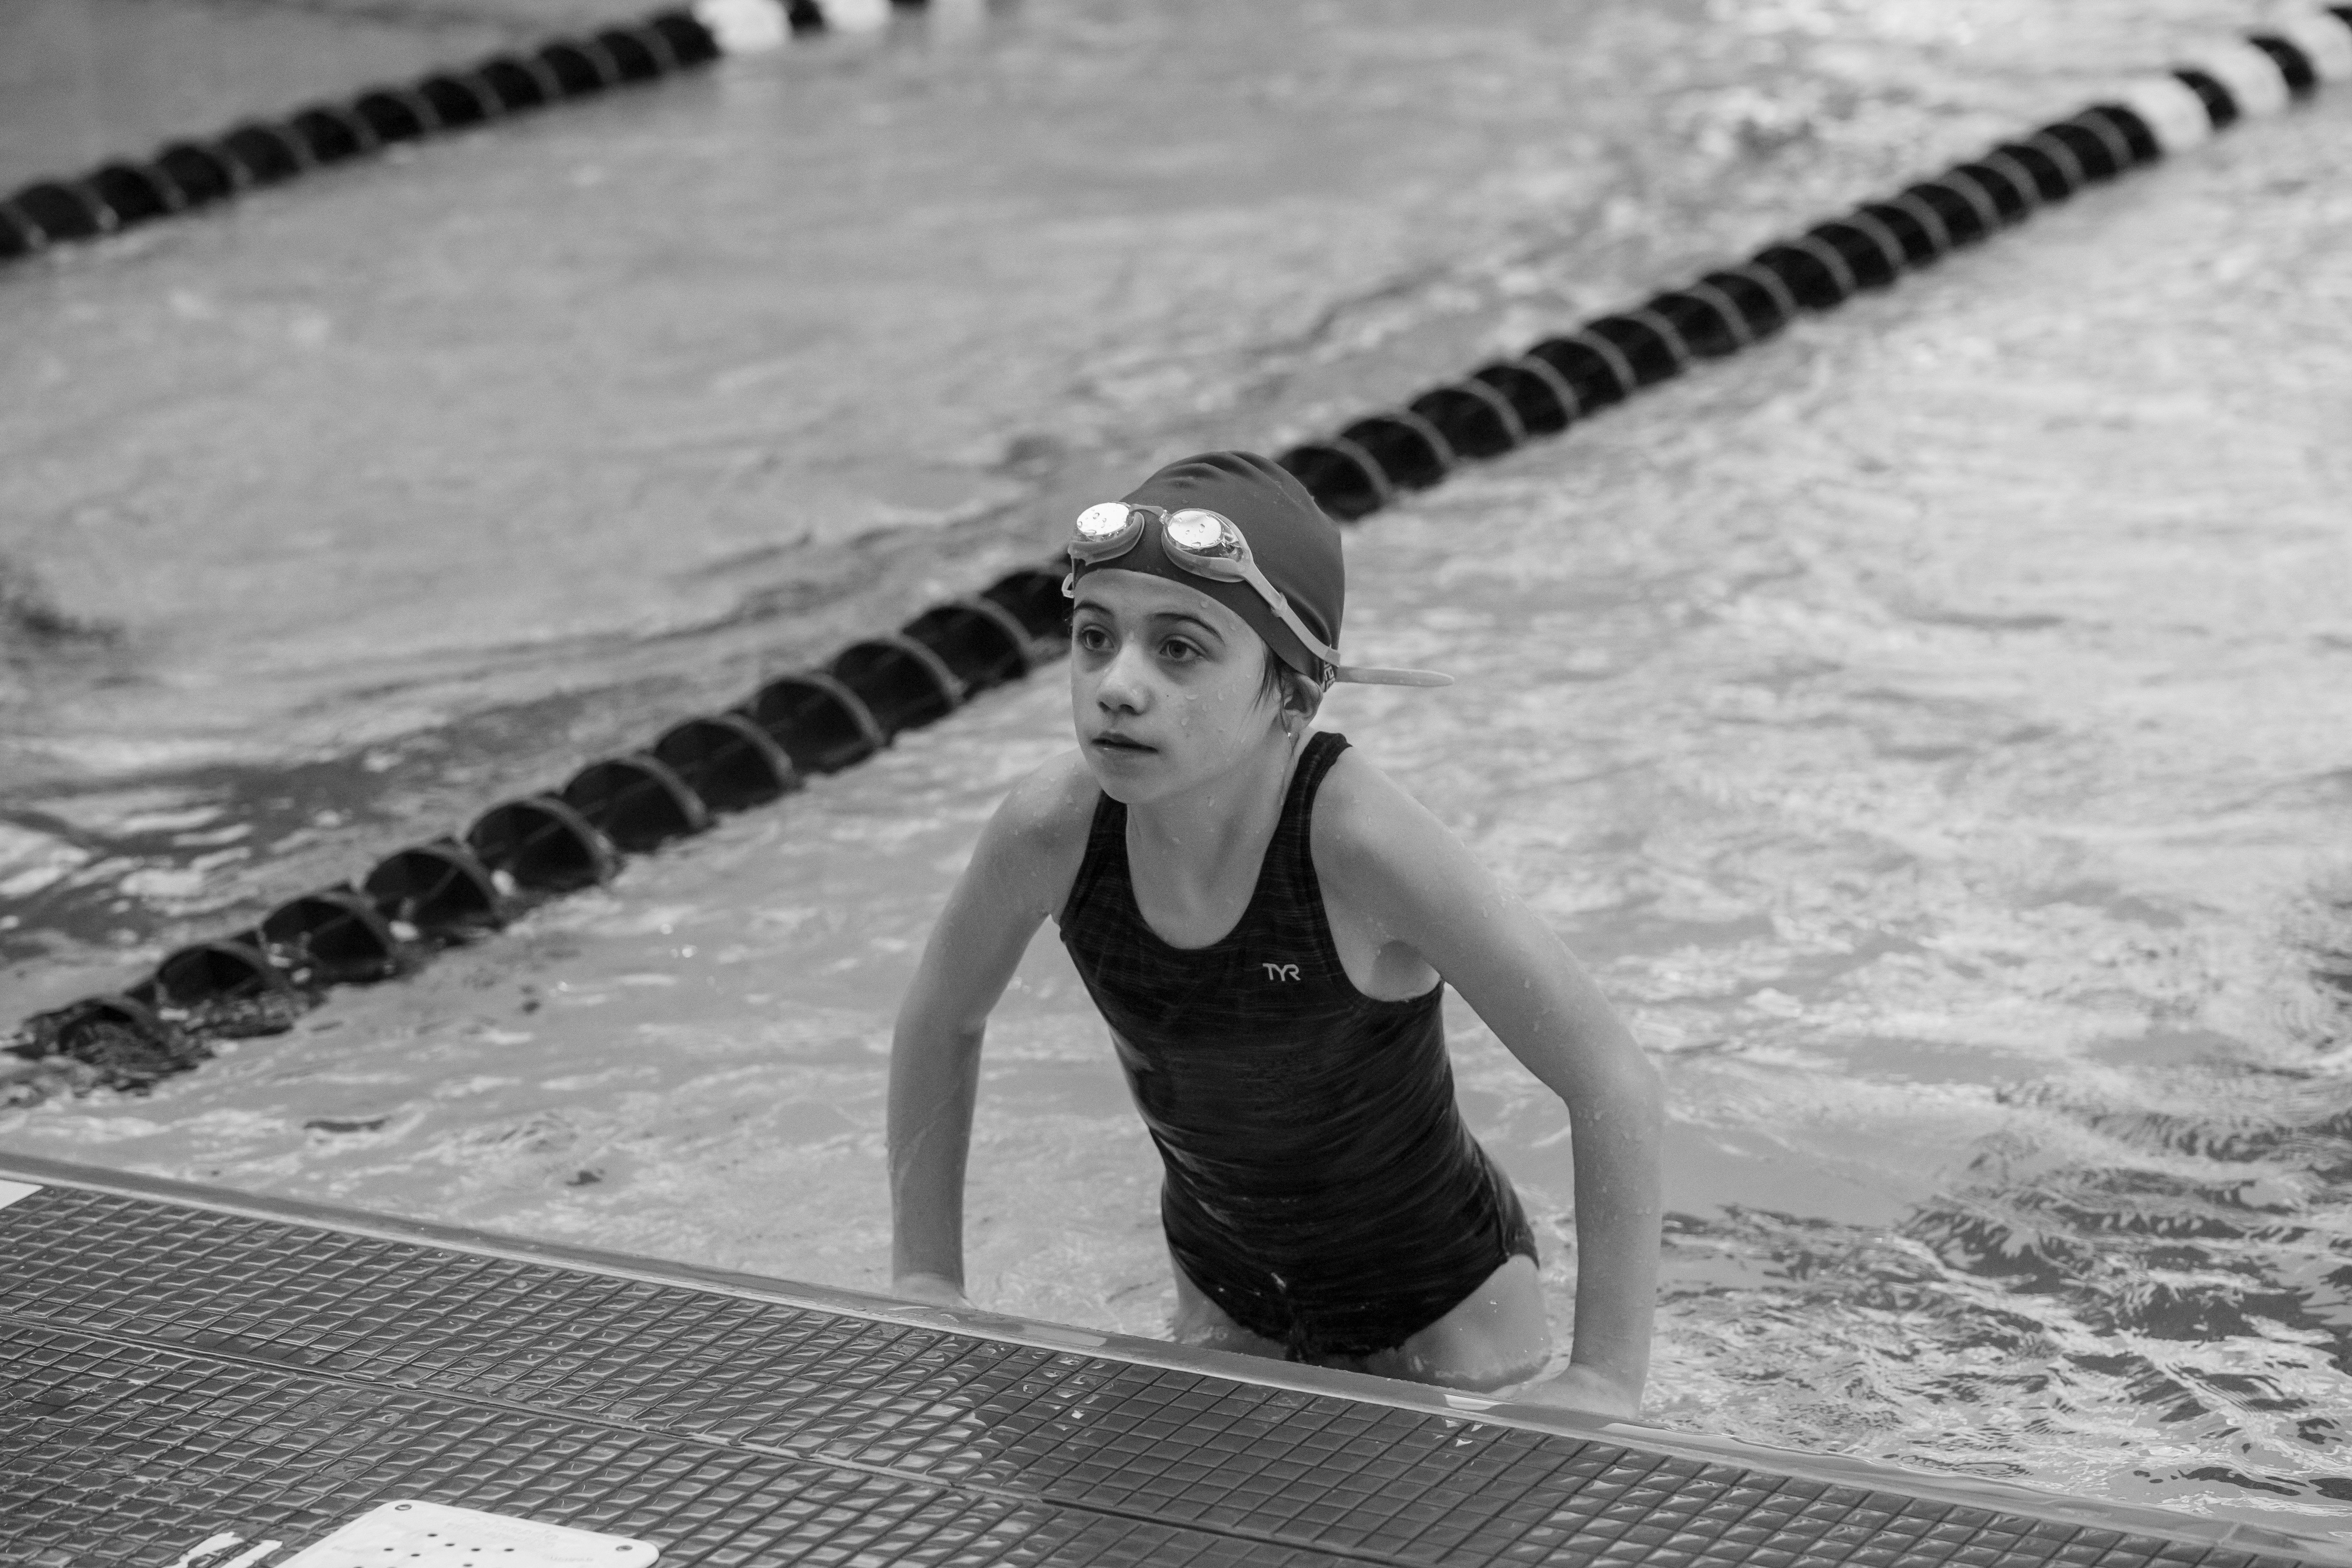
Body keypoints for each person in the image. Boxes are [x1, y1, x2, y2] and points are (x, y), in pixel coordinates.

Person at [886, 451, 1662, 1415]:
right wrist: (926, 1279)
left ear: (1294, 697)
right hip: (1224, 1291)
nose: (1117, 686)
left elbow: (1611, 1078)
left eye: (1179, 649)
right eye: (1095, 637)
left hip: (1449, 1315)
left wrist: (1602, 1379)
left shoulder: (1361, 844)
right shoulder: (1052, 831)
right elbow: (940, 1020)